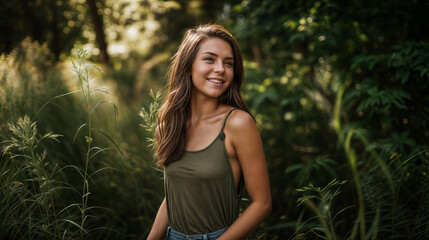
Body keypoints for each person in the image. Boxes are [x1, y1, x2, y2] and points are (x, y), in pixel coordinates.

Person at [147, 24, 271, 240]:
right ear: (188, 66)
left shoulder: (238, 124)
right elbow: (175, 197)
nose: (221, 69)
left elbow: (262, 204)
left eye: (228, 63)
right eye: (210, 59)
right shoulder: (168, 127)